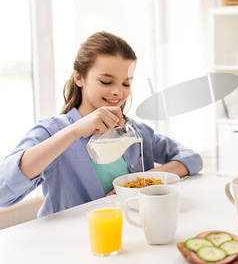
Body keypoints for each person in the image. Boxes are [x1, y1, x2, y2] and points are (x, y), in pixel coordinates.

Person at [0, 31, 203, 217]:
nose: (118, 92)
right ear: (79, 77)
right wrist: (75, 131)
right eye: (106, 82)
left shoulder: (135, 131)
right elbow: (3, 192)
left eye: (126, 83)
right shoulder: (53, 131)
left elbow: (191, 157)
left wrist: (147, 180)